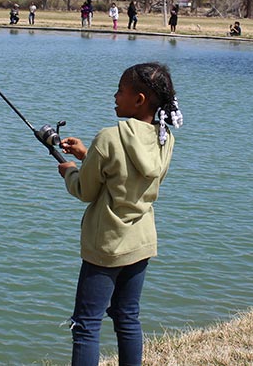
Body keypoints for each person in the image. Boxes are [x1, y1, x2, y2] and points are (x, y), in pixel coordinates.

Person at [57, 62, 183, 365]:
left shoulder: (108, 138)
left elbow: (85, 191)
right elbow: (131, 180)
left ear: (139, 99)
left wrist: (69, 172)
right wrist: (89, 157)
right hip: (141, 243)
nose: (114, 95)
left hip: (107, 247)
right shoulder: (165, 139)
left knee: (86, 324)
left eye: (120, 91)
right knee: (127, 317)